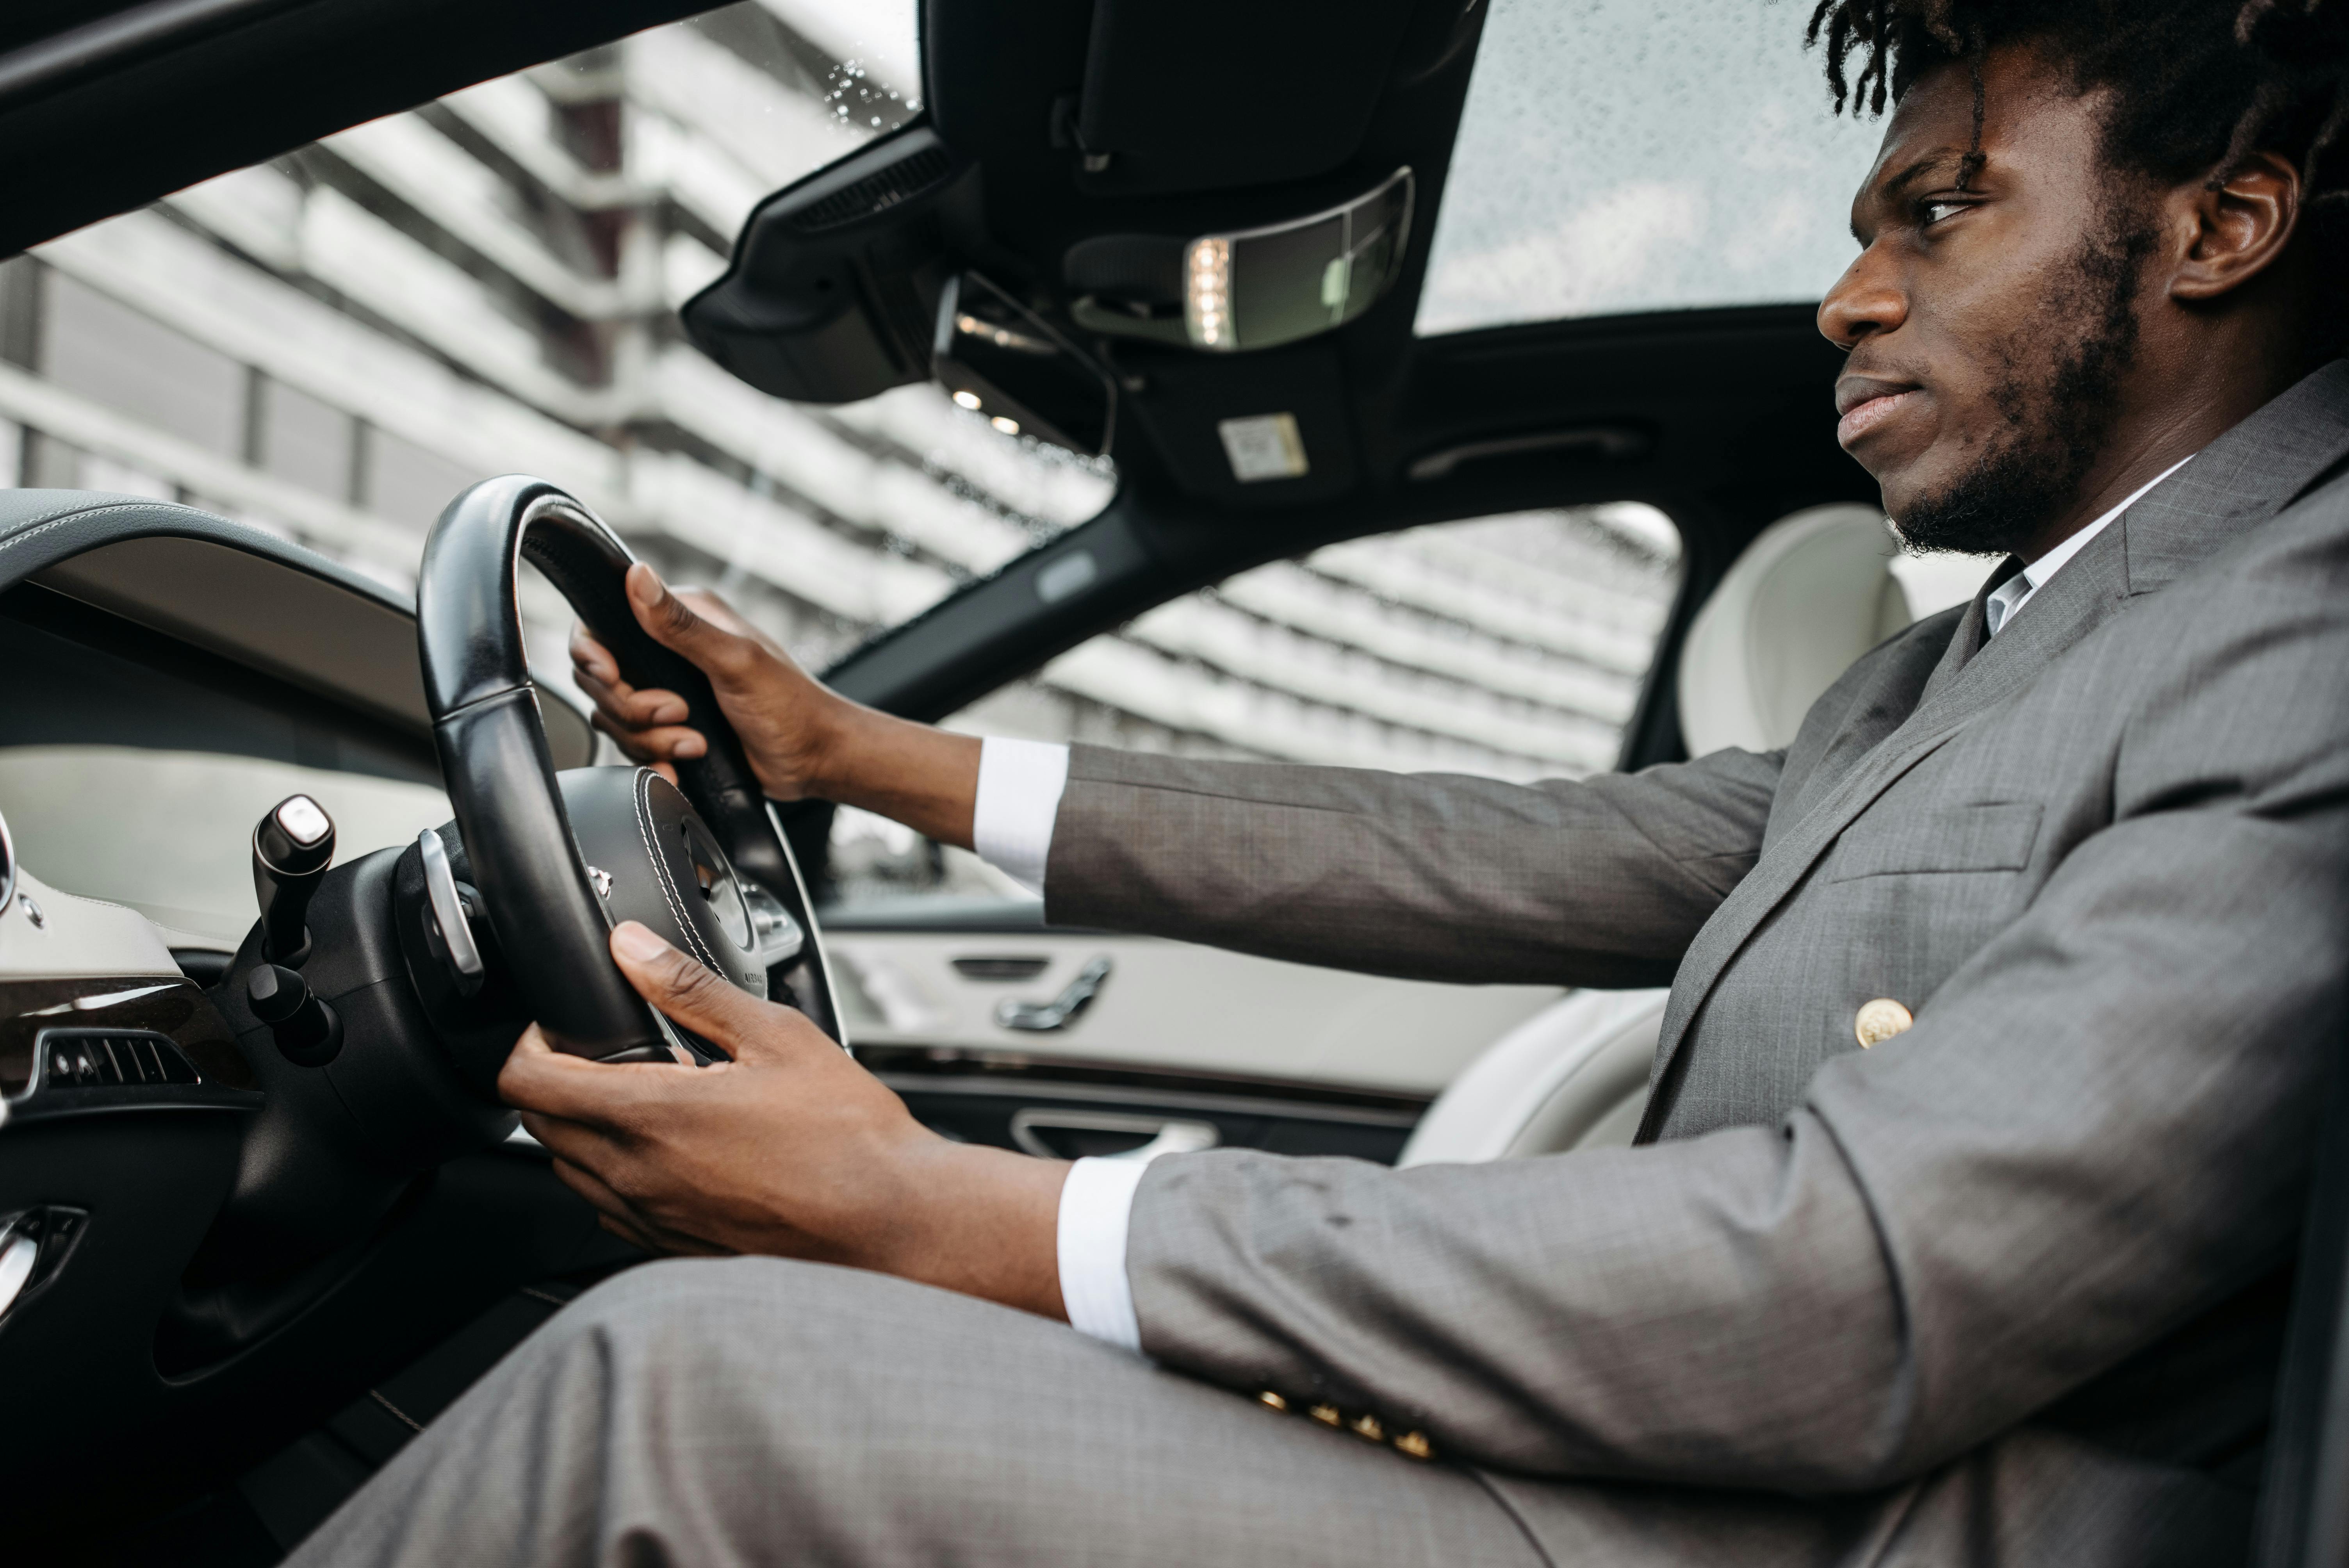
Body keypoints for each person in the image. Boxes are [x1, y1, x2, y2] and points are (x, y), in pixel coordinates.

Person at [292, 2, 2349, 1563]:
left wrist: (941, 1204)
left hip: (1782, 1527)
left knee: (669, 1396)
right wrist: (859, 756)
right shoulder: (1971, 658)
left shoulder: (2305, 624)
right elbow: (1493, 854)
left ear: (2223, 226)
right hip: (1658, 1478)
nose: (1850, 294)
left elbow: (1848, 1290)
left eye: (1938, 211)